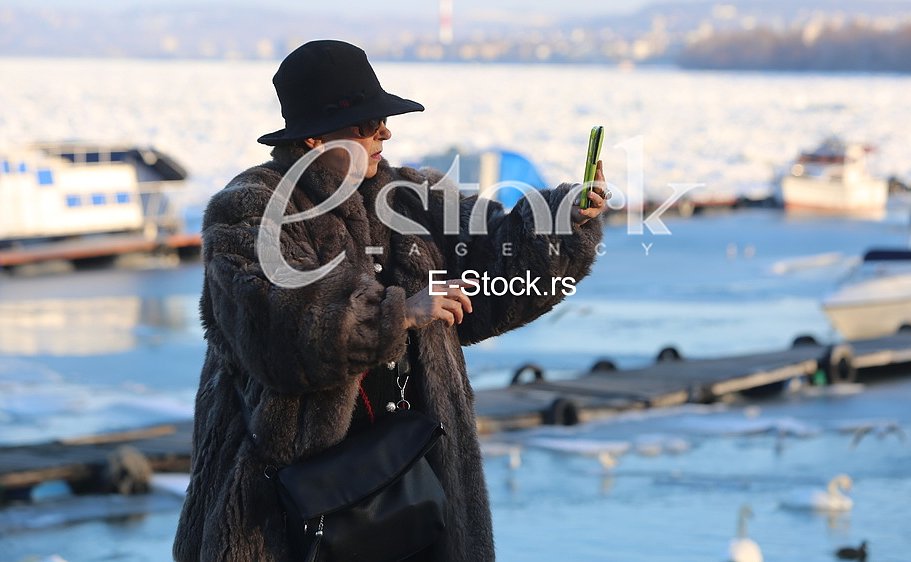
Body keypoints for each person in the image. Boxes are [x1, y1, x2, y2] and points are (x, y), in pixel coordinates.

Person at [173, 40, 607, 562]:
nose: (384, 133)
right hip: (289, 511)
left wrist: (565, 219)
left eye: (383, 119)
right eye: (365, 123)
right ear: (311, 136)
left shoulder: (409, 195)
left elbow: (499, 256)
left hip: (414, 489)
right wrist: (398, 313)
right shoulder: (251, 209)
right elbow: (278, 334)